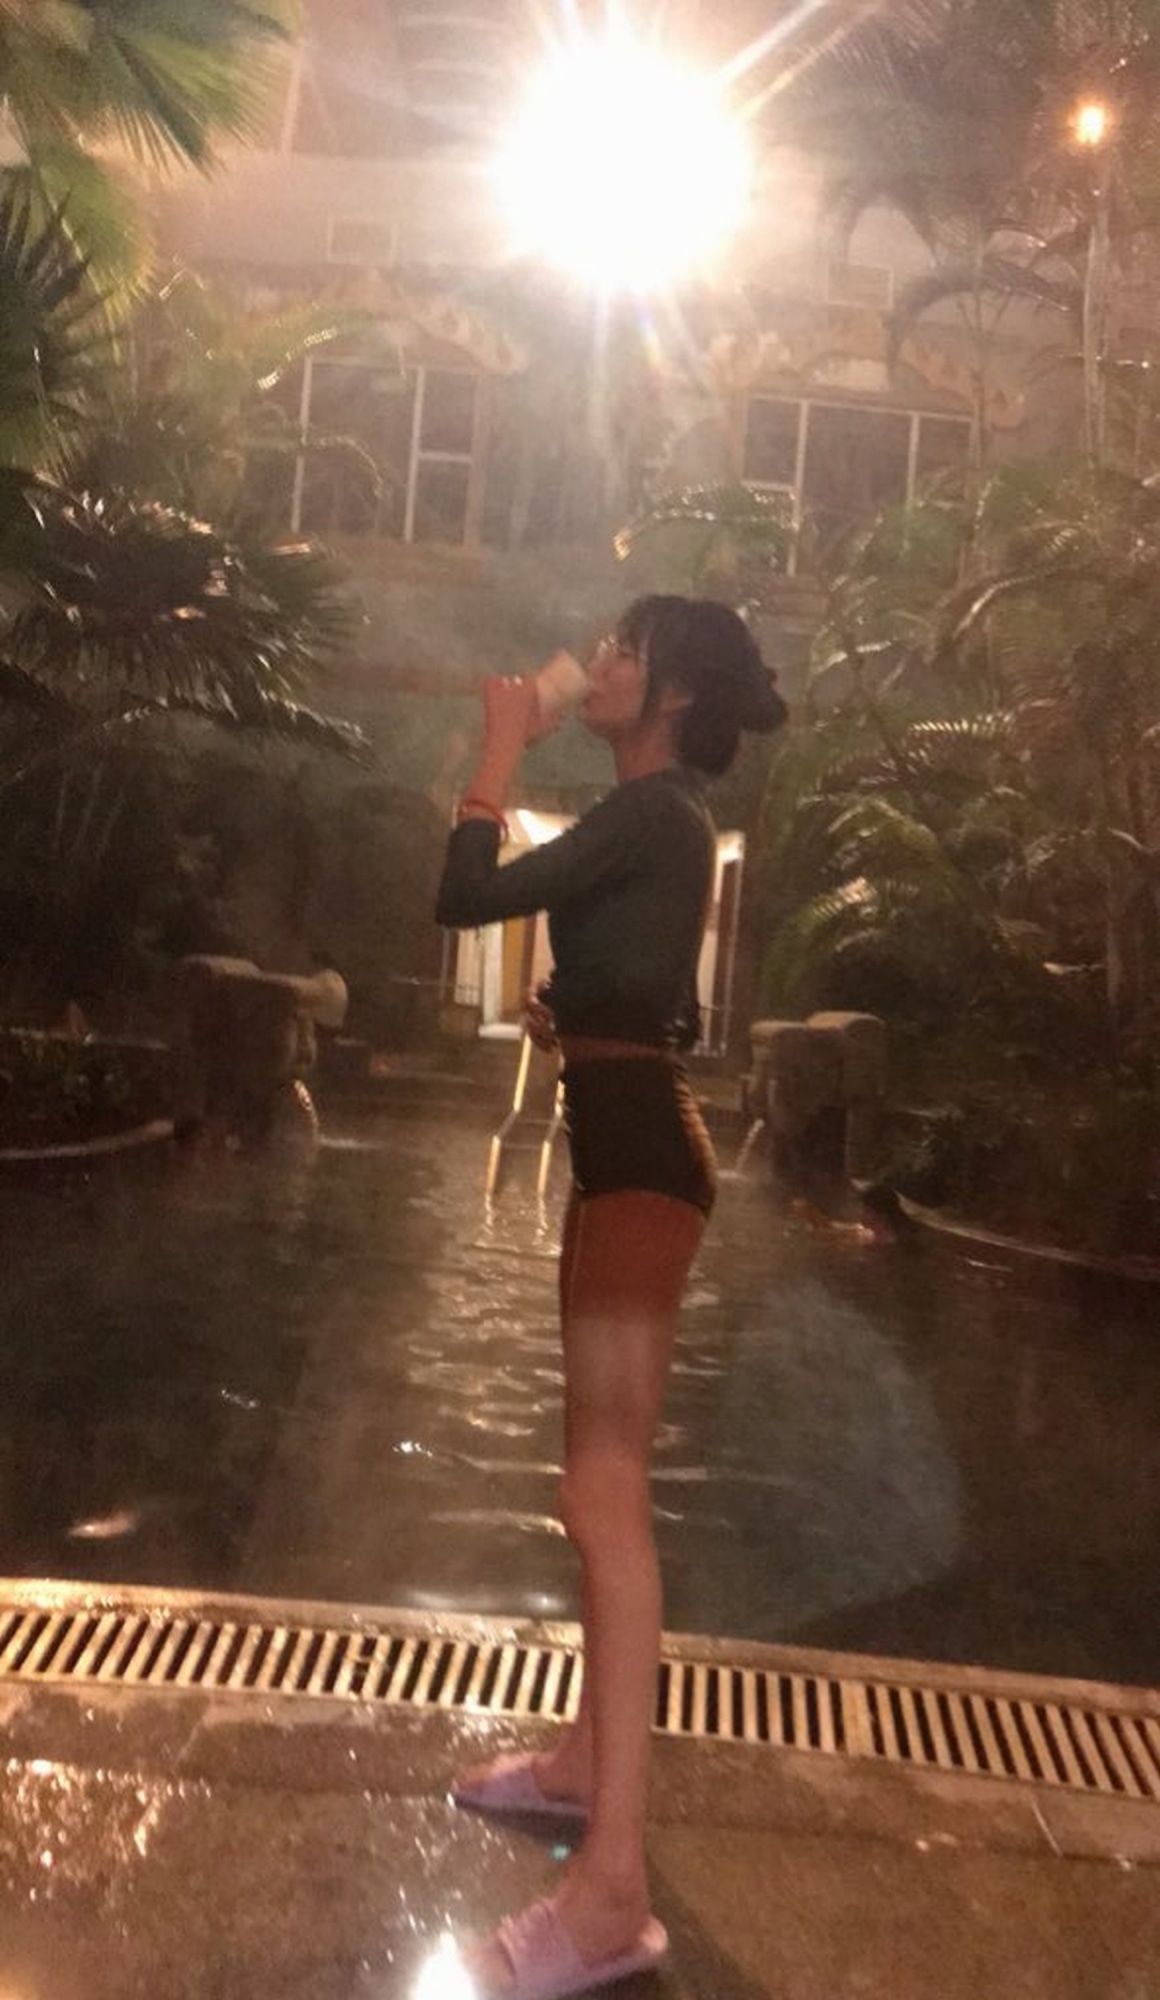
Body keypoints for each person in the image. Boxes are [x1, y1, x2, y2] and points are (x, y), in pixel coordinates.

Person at [434, 595, 786, 2000]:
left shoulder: (653, 813)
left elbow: (467, 892)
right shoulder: (657, 825)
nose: (606, 660)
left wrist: (499, 744)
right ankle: (586, 1762)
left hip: (641, 1160)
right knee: (594, 1481)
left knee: (604, 1495)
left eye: (632, 651)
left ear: (675, 696)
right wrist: (570, 1014)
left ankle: (612, 1896)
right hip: (623, 1142)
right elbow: (639, 991)